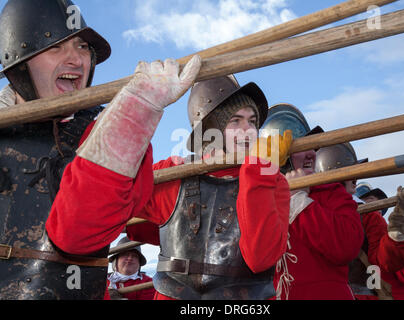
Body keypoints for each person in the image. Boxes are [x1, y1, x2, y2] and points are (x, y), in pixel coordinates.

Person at [51, 74, 292, 300]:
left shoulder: (273, 181)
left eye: (252, 121)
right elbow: (108, 214)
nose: (248, 131)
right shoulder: (173, 175)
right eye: (235, 121)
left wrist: (259, 173)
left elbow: (261, 259)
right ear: (211, 130)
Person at [0, 0, 112, 299]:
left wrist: (135, 121)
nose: (76, 60)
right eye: (55, 47)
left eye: (82, 47)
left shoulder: (103, 130)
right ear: (20, 65)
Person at [264, 103, 365, 300]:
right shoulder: (260, 197)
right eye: (301, 146)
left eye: (312, 146)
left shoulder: (331, 190)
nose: (312, 153)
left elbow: (347, 247)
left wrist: (299, 201)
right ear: (280, 155)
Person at [316, 146, 404, 300]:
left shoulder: (309, 211)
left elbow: (390, 264)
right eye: (351, 172)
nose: (356, 177)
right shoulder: (309, 212)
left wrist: (401, 226)